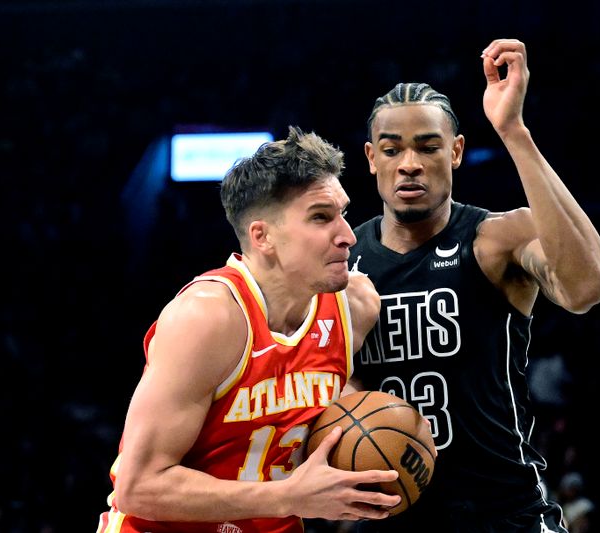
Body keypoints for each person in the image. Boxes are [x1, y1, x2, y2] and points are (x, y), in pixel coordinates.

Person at [346, 38, 600, 532]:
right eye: (392, 149)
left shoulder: (496, 238)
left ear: (456, 151)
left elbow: (587, 287)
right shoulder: (341, 262)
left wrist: (514, 132)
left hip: (505, 513)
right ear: (370, 158)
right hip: (393, 518)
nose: (409, 163)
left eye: (428, 146)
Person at [96, 126, 402, 533]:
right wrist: (290, 496)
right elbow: (139, 487)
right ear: (263, 237)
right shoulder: (208, 318)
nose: (347, 236)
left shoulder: (356, 307)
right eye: (320, 217)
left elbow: (316, 395)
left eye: (343, 214)